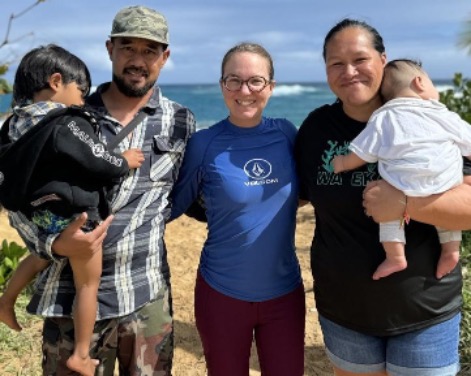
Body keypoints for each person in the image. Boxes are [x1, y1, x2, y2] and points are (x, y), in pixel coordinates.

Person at [8, 6, 196, 375]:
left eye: (150, 50)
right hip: (69, 299)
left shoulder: (180, 121)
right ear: (110, 49)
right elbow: (18, 195)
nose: (138, 60)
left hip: (147, 295)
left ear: (165, 57)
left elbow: (184, 194)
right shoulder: (67, 113)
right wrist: (54, 244)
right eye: (128, 48)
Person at [295, 19, 464, 376]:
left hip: (425, 310)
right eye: (336, 64)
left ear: (383, 60)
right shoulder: (316, 128)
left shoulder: (432, 121)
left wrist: (405, 204)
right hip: (345, 311)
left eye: (360, 59)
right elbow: (298, 195)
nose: (349, 72)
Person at [0, 43, 145, 376]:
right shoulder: (64, 122)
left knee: (38, 257)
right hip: (74, 218)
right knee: (87, 285)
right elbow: (96, 158)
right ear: (55, 82)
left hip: (39, 217)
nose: (83, 99)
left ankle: (6, 300)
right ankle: (81, 353)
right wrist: (125, 161)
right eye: (81, 91)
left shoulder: (12, 125)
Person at [170, 42, 305, 375]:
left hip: (284, 294)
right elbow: (171, 206)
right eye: (234, 80)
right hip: (221, 294)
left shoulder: (287, 133)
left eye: (256, 81)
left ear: (271, 88)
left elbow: (315, 188)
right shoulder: (204, 143)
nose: (245, 90)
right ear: (222, 86)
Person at [332, 58, 471, 280]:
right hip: (445, 182)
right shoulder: (443, 114)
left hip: (402, 184)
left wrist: (341, 163)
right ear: (420, 82)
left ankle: (395, 256)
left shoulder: (383, 116)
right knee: (446, 217)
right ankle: (451, 250)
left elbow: (364, 152)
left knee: (386, 209)